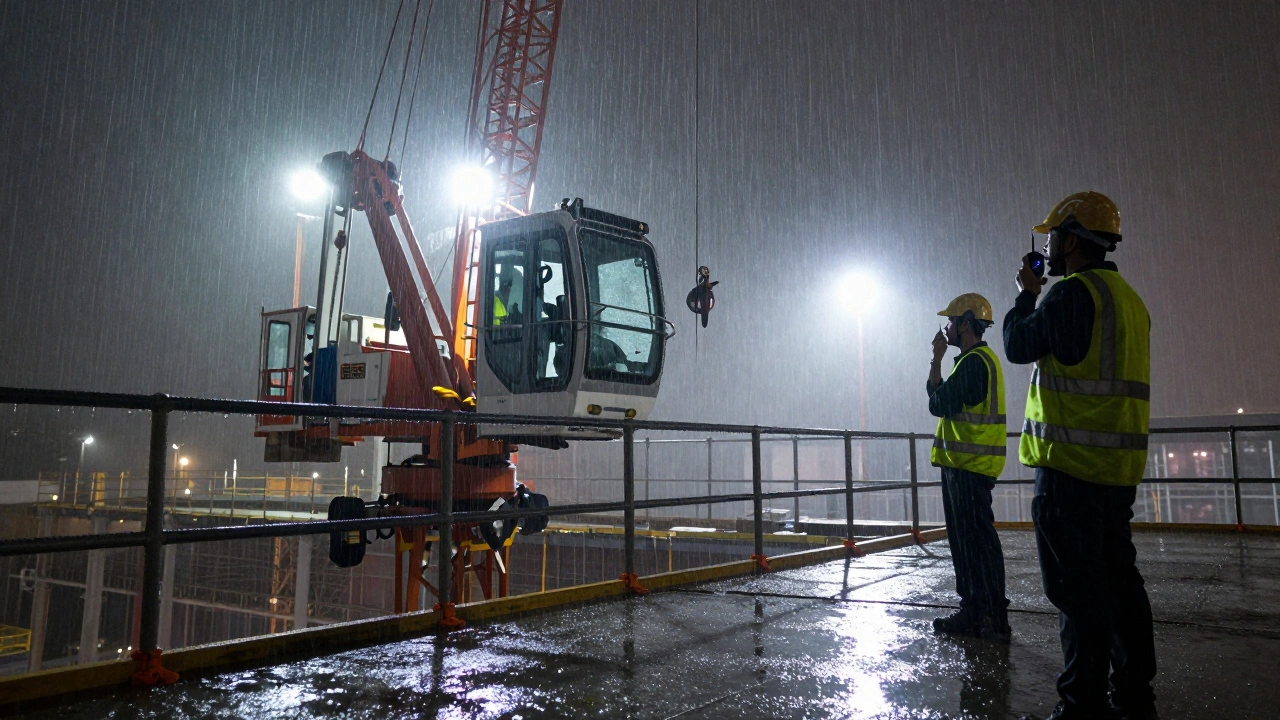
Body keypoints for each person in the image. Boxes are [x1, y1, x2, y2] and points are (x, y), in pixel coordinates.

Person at [1004, 191, 1157, 720]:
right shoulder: (1130, 300)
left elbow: (1019, 345)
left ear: (1071, 239)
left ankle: (1081, 705)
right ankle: (1135, 695)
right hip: (1117, 471)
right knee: (1119, 585)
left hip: (1070, 470)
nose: (1048, 245)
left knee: (1077, 594)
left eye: (1053, 236)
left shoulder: (1072, 295)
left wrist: (1027, 294)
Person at [927, 292, 1011, 639]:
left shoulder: (974, 363)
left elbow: (937, 403)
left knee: (972, 545)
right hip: (968, 466)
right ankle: (982, 614)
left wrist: (935, 359)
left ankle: (983, 617)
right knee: (975, 544)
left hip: (967, 468)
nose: (946, 327)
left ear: (965, 324)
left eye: (950, 321)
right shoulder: (977, 361)